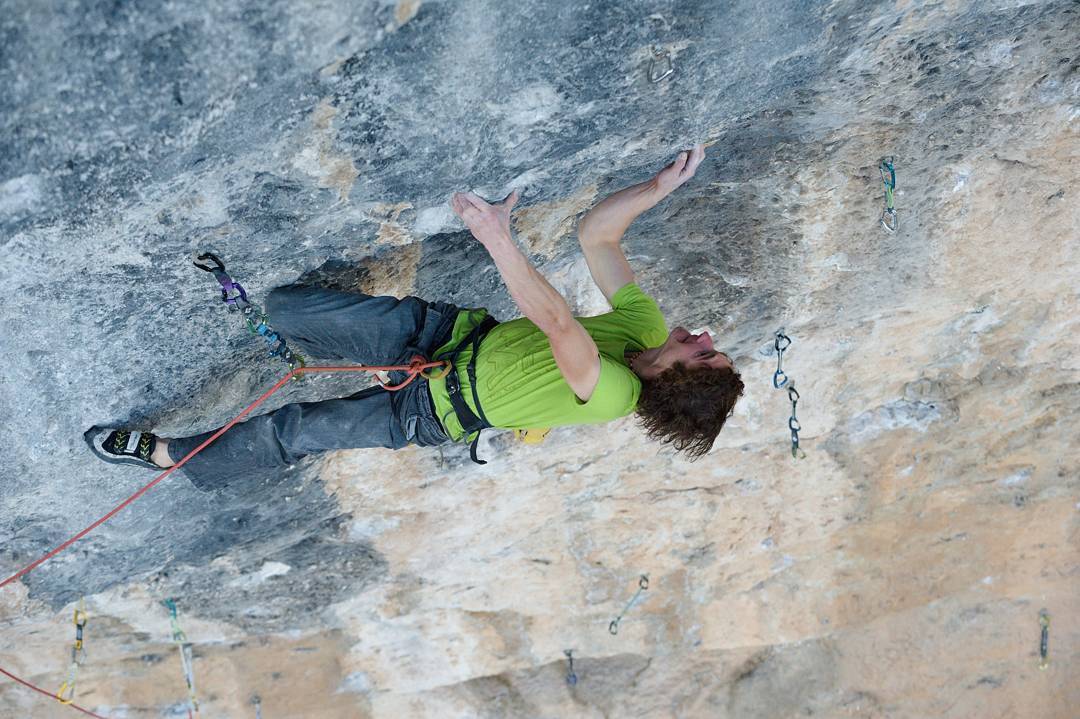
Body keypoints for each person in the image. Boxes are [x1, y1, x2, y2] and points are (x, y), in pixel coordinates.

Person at [89, 145, 744, 488]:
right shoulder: (647, 331)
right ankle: (292, 344)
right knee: (288, 309)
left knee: (295, 431)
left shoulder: (614, 392)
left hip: (428, 412)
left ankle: (170, 455)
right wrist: (657, 190)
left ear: (674, 380)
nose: (704, 336)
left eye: (704, 353)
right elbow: (599, 236)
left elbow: (562, 329)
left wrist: (498, 238)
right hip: (443, 340)